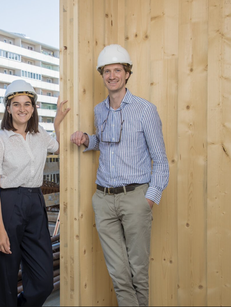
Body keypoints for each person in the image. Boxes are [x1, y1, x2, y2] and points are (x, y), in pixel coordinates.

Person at [70, 44, 169, 306]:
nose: (112, 75)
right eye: (107, 71)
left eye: (118, 70)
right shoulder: (99, 110)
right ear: (102, 74)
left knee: (138, 272)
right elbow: (105, 142)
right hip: (103, 200)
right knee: (118, 273)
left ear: (127, 74)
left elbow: (160, 160)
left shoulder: (145, 110)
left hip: (135, 198)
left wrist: (148, 199)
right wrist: (86, 139)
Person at [0, 79, 70, 306]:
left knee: (44, 281)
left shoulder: (40, 134)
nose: (22, 109)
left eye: (27, 104)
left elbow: (61, 148)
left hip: (35, 202)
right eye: (16, 104)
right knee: (5, 279)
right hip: (7, 203)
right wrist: (0, 230)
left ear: (33, 108)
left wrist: (57, 125)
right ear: (8, 108)